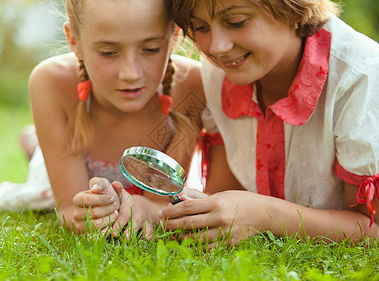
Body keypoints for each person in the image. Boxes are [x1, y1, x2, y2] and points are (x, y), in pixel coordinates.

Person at [0, 0, 231, 237]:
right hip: (62, 173)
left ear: (174, 36)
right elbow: (69, 209)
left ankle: (35, 143)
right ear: (74, 40)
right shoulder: (50, 82)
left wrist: (146, 210)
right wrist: (92, 212)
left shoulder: (194, 85)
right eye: (108, 52)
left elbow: (161, 205)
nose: (131, 73)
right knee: (40, 173)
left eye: (151, 49)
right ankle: (36, 145)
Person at [158, 0, 379, 246]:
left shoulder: (360, 77)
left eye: (236, 22)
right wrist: (204, 209)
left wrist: (264, 215)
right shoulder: (222, 70)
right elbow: (227, 191)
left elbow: (373, 228)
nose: (217, 47)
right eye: (200, 27)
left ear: (291, 8)